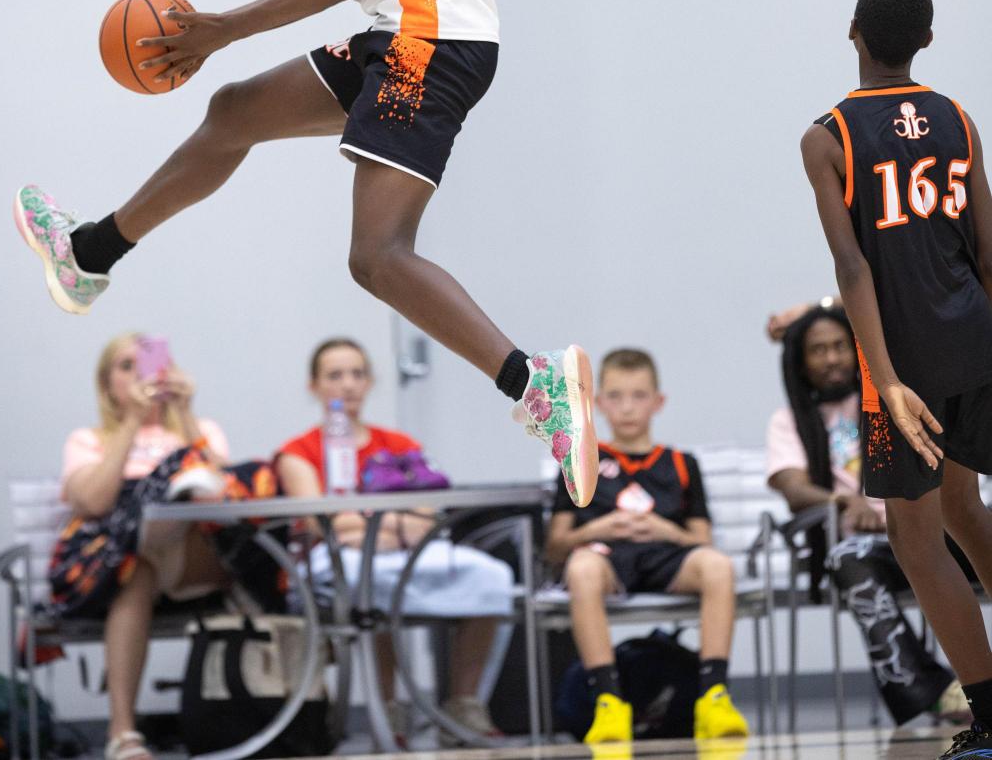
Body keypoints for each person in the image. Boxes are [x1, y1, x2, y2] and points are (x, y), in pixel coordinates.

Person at [14, 0, 596, 509]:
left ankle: (534, 386)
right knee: (234, 111)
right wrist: (227, 33)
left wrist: (221, 27)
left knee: (377, 256)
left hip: (425, 42)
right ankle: (89, 256)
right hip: (412, 31)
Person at [801, 0, 992, 759]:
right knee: (964, 510)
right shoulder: (958, 119)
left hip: (904, 364)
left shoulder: (828, 137)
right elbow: (988, 251)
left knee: (916, 542)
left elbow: (853, 268)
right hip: (975, 344)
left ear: (853, 30)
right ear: (928, 41)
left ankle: (988, 722)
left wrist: (884, 380)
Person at [276, 336, 514, 743]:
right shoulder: (298, 452)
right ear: (314, 386)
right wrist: (385, 527)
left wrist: (370, 528)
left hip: (406, 552)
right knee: (370, 583)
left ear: (370, 382)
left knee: (490, 576)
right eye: (335, 375)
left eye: (357, 373)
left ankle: (464, 706)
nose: (348, 384)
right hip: (338, 562)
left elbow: (425, 515)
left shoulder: (400, 445)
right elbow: (321, 523)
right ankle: (386, 711)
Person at [51, 334, 273, 760]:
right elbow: (93, 502)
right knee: (135, 570)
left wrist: (185, 415)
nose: (142, 375)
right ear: (106, 384)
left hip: (196, 557)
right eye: (126, 367)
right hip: (121, 568)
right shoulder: (89, 439)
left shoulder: (200, 430)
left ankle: (159, 519)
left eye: (148, 364)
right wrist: (131, 424)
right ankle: (123, 733)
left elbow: (231, 496)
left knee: (207, 503)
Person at [766, 304, 965, 723]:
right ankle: (936, 693)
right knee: (846, 557)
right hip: (868, 549)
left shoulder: (888, 398)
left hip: (929, 529)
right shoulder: (789, 421)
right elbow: (792, 487)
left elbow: (892, 307)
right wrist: (844, 501)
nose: (832, 358)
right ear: (800, 363)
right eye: (818, 350)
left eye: (840, 346)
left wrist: (817, 306)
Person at [544, 347, 748, 744]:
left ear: (658, 402)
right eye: (616, 396)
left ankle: (713, 697)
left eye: (638, 396)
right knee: (581, 567)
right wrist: (597, 528)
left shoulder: (681, 463)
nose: (627, 408)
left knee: (717, 566)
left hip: (666, 557)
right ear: (598, 403)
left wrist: (664, 529)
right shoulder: (578, 459)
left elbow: (701, 540)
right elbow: (555, 547)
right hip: (607, 560)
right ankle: (608, 702)